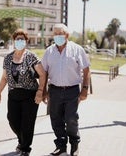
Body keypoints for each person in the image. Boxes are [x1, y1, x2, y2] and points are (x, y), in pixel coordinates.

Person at [41, 23, 90, 156]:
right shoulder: (49, 51)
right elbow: (43, 72)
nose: (57, 36)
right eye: (55, 34)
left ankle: (74, 144)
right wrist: (43, 91)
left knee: (71, 118)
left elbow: (86, 70)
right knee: (55, 119)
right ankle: (61, 146)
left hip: (72, 90)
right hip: (54, 90)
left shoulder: (77, 49)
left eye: (60, 34)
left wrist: (85, 89)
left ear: (67, 35)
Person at [0, 29, 46, 156]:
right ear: (14, 41)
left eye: (22, 39)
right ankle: (22, 140)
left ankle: (25, 148)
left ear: (26, 41)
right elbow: (4, 78)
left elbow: (42, 74)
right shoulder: (7, 58)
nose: (19, 41)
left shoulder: (31, 57)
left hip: (30, 95)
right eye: (17, 39)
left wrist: (40, 91)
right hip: (13, 94)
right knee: (12, 120)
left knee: (27, 123)